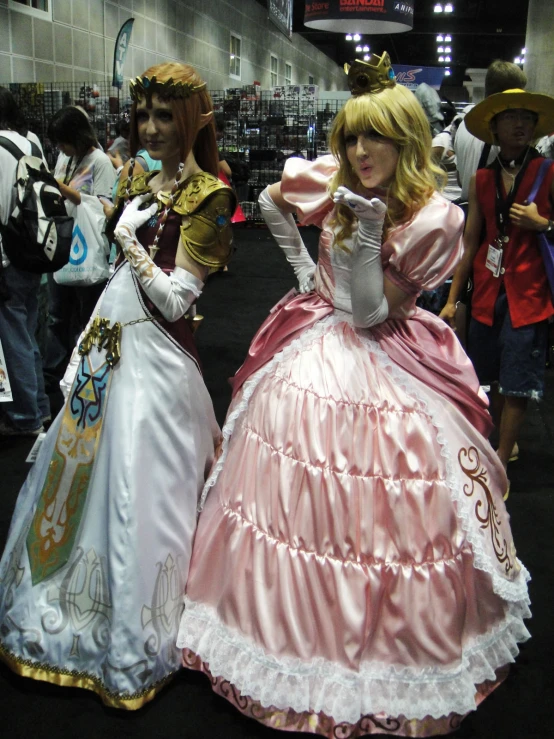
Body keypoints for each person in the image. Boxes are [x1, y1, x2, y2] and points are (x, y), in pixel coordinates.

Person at [177, 54, 530, 737]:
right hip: (320, 338)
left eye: (376, 139)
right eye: (351, 138)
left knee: (399, 489)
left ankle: (390, 641)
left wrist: (368, 234)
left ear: (407, 141)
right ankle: (280, 629)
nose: (359, 152)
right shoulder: (338, 182)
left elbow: (372, 314)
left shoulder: (435, 218)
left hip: (385, 349)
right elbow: (278, 201)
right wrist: (307, 268)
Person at [0, 62, 236, 708]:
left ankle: (140, 624)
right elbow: (117, 222)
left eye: (166, 116)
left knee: (141, 480)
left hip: (158, 356)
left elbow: (177, 297)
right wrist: (110, 213)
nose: (152, 128)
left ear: (190, 121)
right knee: (78, 466)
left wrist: (129, 238)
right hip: (110, 337)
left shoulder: (211, 196)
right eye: (146, 115)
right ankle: (77, 606)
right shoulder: (137, 174)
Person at [440, 88, 554, 480]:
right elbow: (471, 242)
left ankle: (500, 461)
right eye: (510, 117)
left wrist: (545, 225)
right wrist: (454, 300)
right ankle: (501, 444)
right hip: (489, 292)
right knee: (490, 374)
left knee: (518, 378)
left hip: (530, 293)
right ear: (494, 128)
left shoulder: (548, 173)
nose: (520, 124)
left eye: (527, 118)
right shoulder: (483, 179)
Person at [43, 106, 116, 388]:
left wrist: (60, 187)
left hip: (87, 245)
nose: (60, 147)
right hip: (61, 242)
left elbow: (102, 206)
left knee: (87, 315)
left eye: (63, 141)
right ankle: (54, 372)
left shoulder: (99, 161)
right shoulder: (65, 157)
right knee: (58, 313)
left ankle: (86, 371)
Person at [0, 87, 50, 436]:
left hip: (7, 258)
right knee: (28, 331)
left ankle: (25, 416)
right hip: (33, 252)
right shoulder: (29, 143)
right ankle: (39, 408)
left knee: (14, 335)